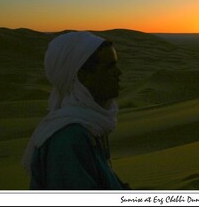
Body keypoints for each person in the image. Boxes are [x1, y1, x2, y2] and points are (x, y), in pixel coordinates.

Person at [22, 31, 129, 190]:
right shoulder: (69, 139)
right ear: (82, 76)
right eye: (110, 67)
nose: (119, 73)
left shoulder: (91, 124)